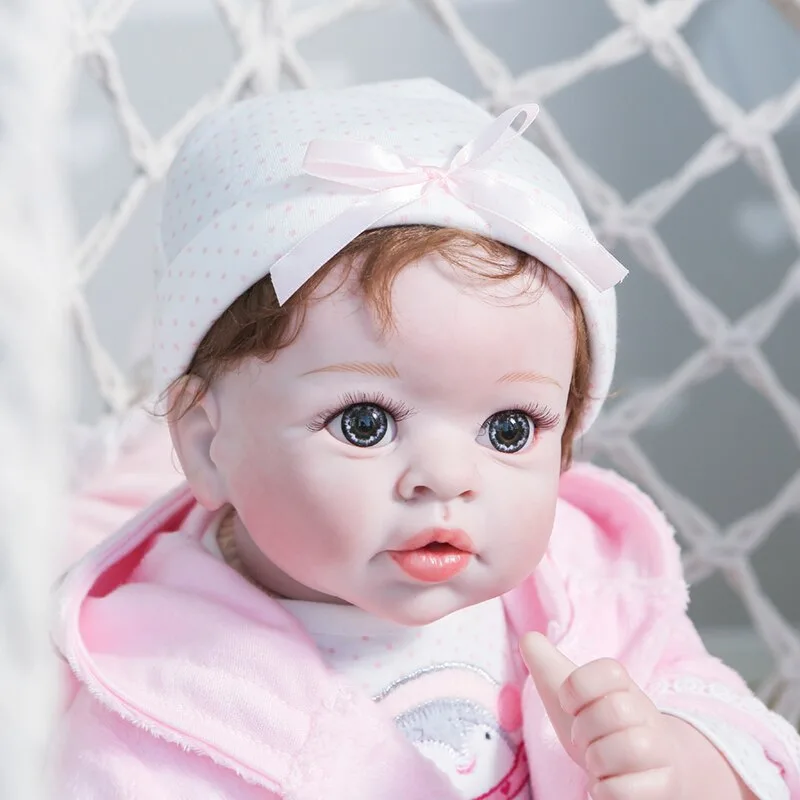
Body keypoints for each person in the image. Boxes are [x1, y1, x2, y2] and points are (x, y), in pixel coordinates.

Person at [51, 79, 800, 799]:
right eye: (365, 423)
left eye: (509, 430)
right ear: (208, 444)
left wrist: (683, 767)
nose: (445, 477)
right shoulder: (156, 686)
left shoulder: (588, 585)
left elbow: (744, 733)